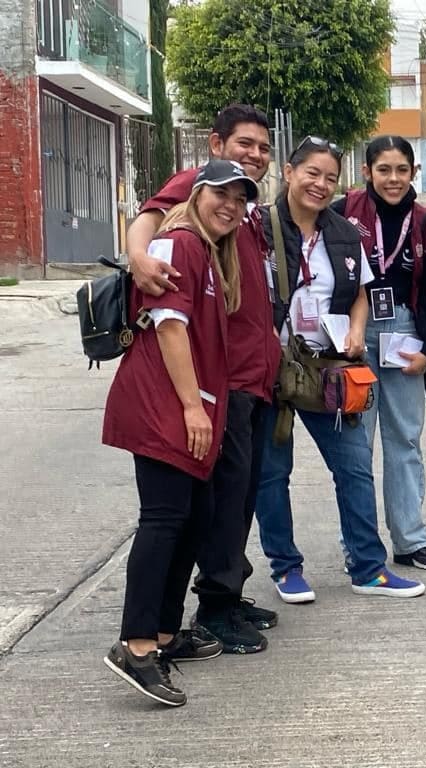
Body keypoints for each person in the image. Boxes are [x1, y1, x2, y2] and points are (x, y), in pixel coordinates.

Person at [102, 160, 258, 706]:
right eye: (221, 194)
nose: (230, 207)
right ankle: (137, 644)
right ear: (195, 194)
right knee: (164, 520)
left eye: (240, 200)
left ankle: (166, 633)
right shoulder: (180, 242)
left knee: (195, 517)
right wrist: (193, 407)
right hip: (164, 405)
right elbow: (170, 328)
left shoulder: (209, 252)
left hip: (193, 405)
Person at [126, 104, 280, 655]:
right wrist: (138, 257)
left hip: (254, 379)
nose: (255, 155)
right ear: (216, 144)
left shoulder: (242, 207)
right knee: (216, 503)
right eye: (245, 144)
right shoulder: (198, 188)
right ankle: (213, 605)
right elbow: (149, 218)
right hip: (224, 380)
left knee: (237, 499)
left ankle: (225, 593)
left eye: (263, 148)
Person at [254, 136, 425, 601]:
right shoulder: (259, 228)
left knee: (353, 466)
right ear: (289, 172)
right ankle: (285, 568)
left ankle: (368, 568)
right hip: (272, 368)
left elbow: (360, 293)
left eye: (330, 177)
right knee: (272, 472)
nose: (320, 184)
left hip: (328, 367)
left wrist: (356, 330)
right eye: (311, 173)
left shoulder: (345, 232)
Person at [331, 136, 426, 571]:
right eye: (384, 169)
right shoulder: (341, 214)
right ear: (367, 171)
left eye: (402, 170)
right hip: (353, 332)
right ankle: (359, 543)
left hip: (403, 331)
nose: (394, 179)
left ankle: (410, 539)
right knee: (355, 443)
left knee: (404, 438)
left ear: (414, 172)